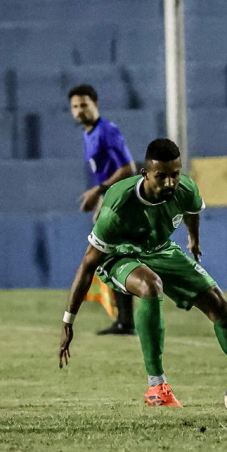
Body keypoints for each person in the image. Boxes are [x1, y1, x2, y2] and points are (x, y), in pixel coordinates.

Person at [58, 138, 227, 408]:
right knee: (150, 286)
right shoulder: (118, 206)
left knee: (219, 305)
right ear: (145, 175)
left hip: (161, 249)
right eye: (161, 177)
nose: (169, 183)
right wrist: (68, 321)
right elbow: (88, 264)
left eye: (175, 174)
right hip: (119, 255)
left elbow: (192, 211)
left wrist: (194, 240)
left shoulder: (185, 188)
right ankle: (156, 386)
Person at [69, 84, 137, 336]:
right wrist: (100, 201)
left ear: (95, 104)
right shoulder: (88, 134)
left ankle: (126, 321)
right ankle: (124, 321)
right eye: (75, 106)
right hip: (111, 203)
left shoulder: (107, 130)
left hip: (123, 205)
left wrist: (98, 192)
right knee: (112, 259)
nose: (79, 110)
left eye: (84, 104)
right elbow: (106, 174)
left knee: (115, 258)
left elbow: (128, 169)